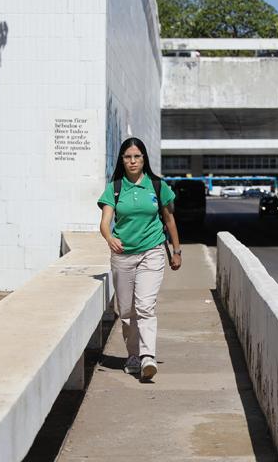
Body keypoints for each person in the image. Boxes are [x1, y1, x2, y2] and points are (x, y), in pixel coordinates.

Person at [97, 137, 182, 381]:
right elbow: (105, 222)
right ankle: (132, 355)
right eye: (127, 157)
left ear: (144, 159)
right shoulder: (114, 187)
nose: (132, 161)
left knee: (145, 306)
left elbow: (169, 220)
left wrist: (176, 251)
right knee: (126, 311)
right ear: (122, 160)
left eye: (137, 156)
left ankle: (147, 357)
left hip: (152, 252)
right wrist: (109, 238)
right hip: (123, 256)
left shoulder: (157, 186)